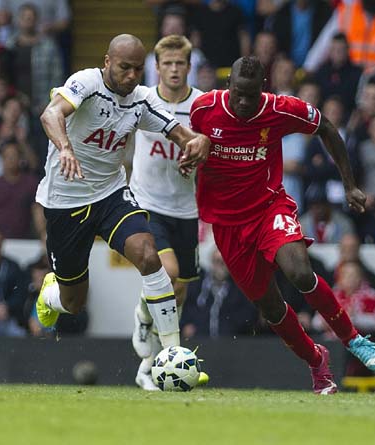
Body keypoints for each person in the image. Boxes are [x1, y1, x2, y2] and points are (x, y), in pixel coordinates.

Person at [189, 56, 375, 395]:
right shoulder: (204, 109)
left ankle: (352, 338)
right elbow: (182, 137)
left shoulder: (280, 109)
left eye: (252, 95)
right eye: (238, 94)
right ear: (228, 87)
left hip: (268, 207)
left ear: (263, 89)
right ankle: (316, 362)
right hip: (227, 225)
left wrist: (350, 183)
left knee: (299, 271)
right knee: (270, 307)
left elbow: (326, 127)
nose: (245, 102)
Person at [34, 34, 210, 359]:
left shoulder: (140, 99)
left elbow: (182, 134)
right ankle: (50, 296)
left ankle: (173, 353)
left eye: (137, 70)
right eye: (124, 68)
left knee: (147, 254)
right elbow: (50, 115)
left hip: (111, 194)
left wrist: (198, 144)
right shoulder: (86, 83)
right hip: (66, 202)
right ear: (107, 62)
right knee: (73, 303)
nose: (131, 76)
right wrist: (65, 149)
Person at [127, 35, 205, 391]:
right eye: (167, 64)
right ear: (156, 67)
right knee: (167, 272)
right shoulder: (142, 99)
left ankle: (150, 365)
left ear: (189, 66)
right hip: (148, 202)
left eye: (180, 64)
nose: (174, 70)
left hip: (187, 209)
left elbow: (212, 147)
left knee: (181, 291)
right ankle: (143, 317)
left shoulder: (202, 105)